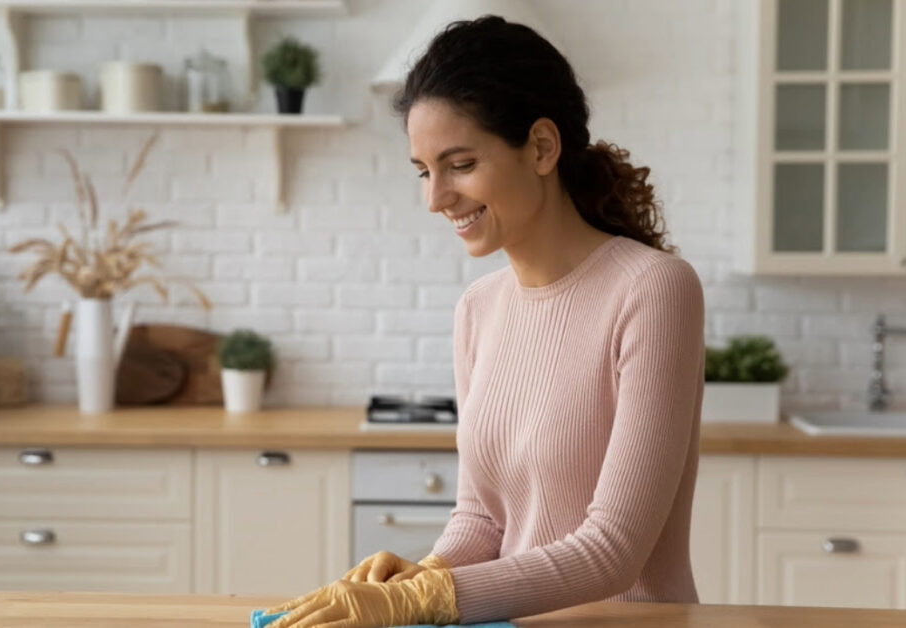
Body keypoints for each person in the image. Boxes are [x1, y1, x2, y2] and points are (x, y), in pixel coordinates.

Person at [265, 14, 704, 628]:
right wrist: (426, 572)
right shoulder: (479, 309)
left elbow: (614, 552)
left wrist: (418, 602)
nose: (435, 198)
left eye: (460, 164)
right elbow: (482, 517)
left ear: (542, 148)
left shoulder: (653, 289)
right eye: (423, 170)